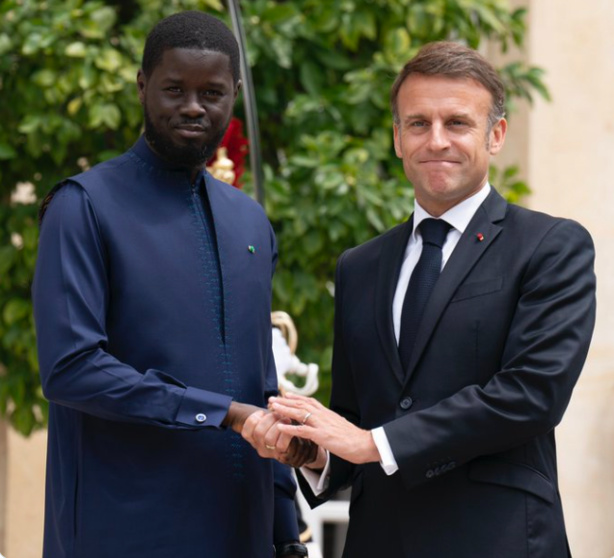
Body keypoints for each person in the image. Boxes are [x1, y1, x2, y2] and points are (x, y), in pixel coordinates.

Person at [243, 41, 596, 557]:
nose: (437, 140)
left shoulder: (550, 246)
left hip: (497, 541)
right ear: (396, 137)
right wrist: (312, 449)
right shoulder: (359, 266)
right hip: (379, 539)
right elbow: (357, 420)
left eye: (457, 123)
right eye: (417, 123)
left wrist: (374, 443)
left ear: (495, 135)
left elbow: (531, 394)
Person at [33, 11, 309, 558]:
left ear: (232, 96)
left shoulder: (250, 220)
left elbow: (262, 383)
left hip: (243, 533)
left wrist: (284, 528)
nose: (192, 106)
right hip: (125, 531)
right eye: (174, 89)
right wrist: (224, 413)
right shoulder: (82, 206)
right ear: (142, 86)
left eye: (211, 92)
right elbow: (71, 369)